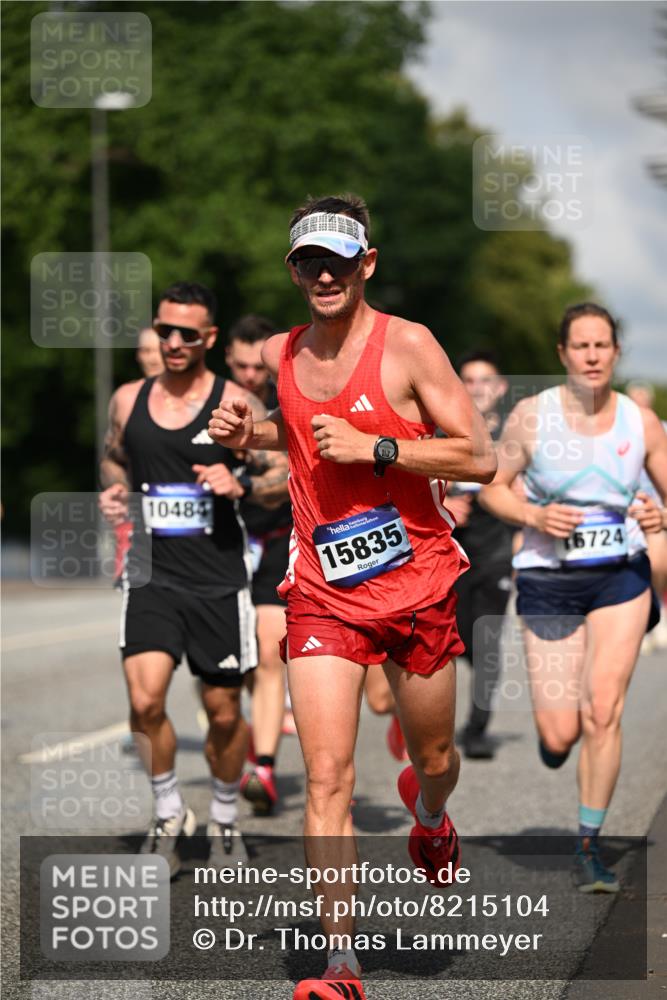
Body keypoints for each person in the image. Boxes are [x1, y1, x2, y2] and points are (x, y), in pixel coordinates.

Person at [209, 194, 496, 998]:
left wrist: (380, 446)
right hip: (322, 592)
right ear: (295, 270)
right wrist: (250, 436)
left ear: (366, 263)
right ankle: (341, 964)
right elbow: (298, 431)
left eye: (338, 259)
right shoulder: (280, 351)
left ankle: (432, 821)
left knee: (433, 758)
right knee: (328, 775)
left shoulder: (409, 345)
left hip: (417, 584)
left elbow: (478, 459)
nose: (324, 274)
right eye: (309, 262)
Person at [98, 281, 284, 877]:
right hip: (151, 573)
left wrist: (244, 484)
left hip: (219, 578)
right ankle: (169, 809)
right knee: (145, 698)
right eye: (163, 330)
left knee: (226, 712)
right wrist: (114, 489)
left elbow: (285, 469)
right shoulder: (128, 398)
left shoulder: (238, 402)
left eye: (186, 333)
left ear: (208, 337)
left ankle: (225, 818)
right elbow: (113, 454)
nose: (172, 341)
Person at [480, 302, 667, 893]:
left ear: (615, 352)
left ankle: (589, 843)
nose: (591, 356)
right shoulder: (533, 418)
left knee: (602, 711)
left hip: (620, 574)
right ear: (562, 353)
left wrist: (658, 516)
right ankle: (554, 740)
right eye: (580, 346)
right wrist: (533, 513)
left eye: (602, 345)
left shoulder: (642, 423)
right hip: (549, 579)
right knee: (561, 733)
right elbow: (493, 491)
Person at [225, 315, 293, 814]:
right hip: (220, 548)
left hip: (275, 539)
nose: (251, 376)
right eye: (241, 365)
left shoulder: (281, 408)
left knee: (269, 656)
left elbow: (286, 476)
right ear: (228, 358)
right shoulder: (203, 403)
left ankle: (264, 767)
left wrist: (243, 482)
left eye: (259, 366)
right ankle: (255, 741)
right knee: (239, 665)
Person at [449, 350, 514, 759]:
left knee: (486, 644)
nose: (477, 389)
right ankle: (424, 723)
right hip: (451, 557)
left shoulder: (515, 436)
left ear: (501, 388)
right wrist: (445, 500)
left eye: (485, 380)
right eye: (468, 380)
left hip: (497, 556)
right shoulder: (446, 432)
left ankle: (475, 731)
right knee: (456, 642)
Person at [113, 328, 165, 586]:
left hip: (194, 531)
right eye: (145, 351)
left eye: (157, 350)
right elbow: (111, 459)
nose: (152, 358)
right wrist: (118, 488)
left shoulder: (201, 397)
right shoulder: (126, 399)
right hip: (139, 526)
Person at [625, 380, 667, 650]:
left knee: (657, 564)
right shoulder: (616, 431)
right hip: (625, 510)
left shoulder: (661, 429)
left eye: (643, 396)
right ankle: (636, 621)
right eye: (634, 397)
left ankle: (659, 608)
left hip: (654, 508)